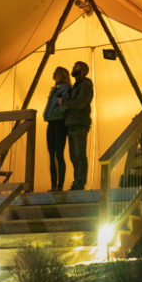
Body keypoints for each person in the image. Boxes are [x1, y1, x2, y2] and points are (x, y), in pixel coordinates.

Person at [62, 60, 93, 190]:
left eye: (77, 67)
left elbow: (79, 104)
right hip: (72, 124)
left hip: (79, 124)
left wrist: (65, 102)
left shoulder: (85, 86)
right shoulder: (76, 86)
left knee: (79, 155)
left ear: (83, 71)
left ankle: (80, 182)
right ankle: (77, 182)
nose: (74, 69)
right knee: (74, 156)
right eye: (73, 67)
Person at [43, 66, 71, 191]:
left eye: (56, 72)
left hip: (60, 123)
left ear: (62, 75)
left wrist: (57, 113)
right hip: (51, 122)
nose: (53, 74)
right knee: (51, 154)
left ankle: (60, 185)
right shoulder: (54, 89)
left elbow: (65, 104)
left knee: (58, 154)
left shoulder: (66, 88)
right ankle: (53, 185)